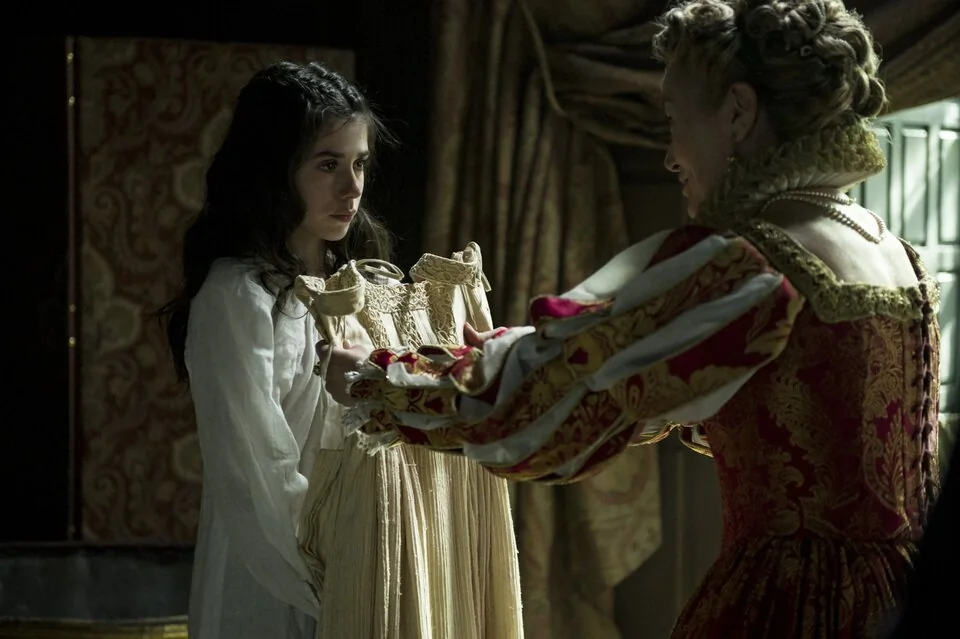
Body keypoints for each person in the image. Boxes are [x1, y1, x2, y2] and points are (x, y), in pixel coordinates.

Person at [321, 1, 942, 637]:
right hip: (897, 597)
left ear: (737, 112)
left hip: (789, 607)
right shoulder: (894, 254)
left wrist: (379, 380)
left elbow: (545, 404)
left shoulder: (750, 262)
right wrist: (520, 358)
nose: (671, 156)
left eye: (674, 119)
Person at [158, 61, 393, 639]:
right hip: (271, 569)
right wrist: (326, 579)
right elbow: (255, 469)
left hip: (360, 554)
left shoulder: (358, 285)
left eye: (360, 164)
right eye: (327, 165)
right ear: (274, 169)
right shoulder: (237, 296)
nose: (352, 188)